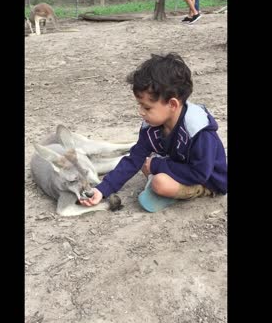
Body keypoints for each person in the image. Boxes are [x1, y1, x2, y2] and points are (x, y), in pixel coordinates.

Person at [79, 53, 228, 212]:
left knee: (159, 182)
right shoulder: (152, 126)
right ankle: (163, 180)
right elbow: (133, 159)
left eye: (147, 107)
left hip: (206, 180)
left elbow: (199, 173)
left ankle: (177, 191)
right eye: (140, 105)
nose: (141, 112)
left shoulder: (199, 132)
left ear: (172, 104)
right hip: (180, 165)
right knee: (143, 162)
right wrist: (103, 189)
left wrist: (158, 165)